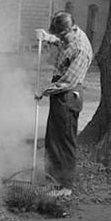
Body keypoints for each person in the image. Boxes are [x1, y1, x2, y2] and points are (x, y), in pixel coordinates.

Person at [35, 11, 93, 197]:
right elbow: (62, 42)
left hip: (68, 96)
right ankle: (52, 182)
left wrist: (44, 91)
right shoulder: (69, 36)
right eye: (57, 34)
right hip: (60, 92)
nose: (60, 38)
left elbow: (68, 81)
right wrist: (47, 38)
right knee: (53, 140)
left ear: (69, 29)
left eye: (61, 34)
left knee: (64, 143)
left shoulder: (81, 50)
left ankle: (64, 186)